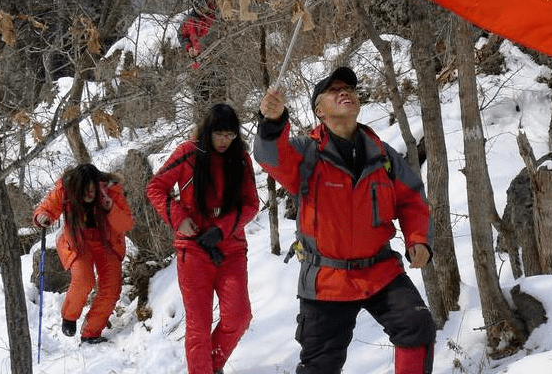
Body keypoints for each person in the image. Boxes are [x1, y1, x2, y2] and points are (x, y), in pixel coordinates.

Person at [254, 67, 437, 374]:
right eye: (334, 90)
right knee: (319, 367)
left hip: (380, 271)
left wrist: (418, 239)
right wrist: (272, 123)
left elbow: (411, 199)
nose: (345, 93)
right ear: (319, 111)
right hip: (327, 279)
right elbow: (270, 156)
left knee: (417, 327)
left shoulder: (383, 154)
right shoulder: (306, 152)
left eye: (349, 89)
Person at [147, 103, 259, 374]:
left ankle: (210, 365)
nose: (224, 140)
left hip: (230, 248)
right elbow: (156, 187)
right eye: (219, 133)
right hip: (193, 249)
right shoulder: (188, 153)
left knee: (239, 316)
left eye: (230, 134)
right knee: (198, 324)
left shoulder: (241, 160)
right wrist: (177, 217)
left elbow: (251, 204)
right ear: (208, 130)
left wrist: (221, 229)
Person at [33, 163, 133, 344]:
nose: (89, 193)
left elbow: (125, 224)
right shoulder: (66, 187)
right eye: (84, 190)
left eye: (92, 189)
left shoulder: (111, 189)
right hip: (78, 241)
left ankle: (91, 332)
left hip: (107, 242)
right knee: (84, 278)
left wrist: (111, 208)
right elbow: (47, 208)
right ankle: (69, 316)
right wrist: (42, 217)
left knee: (111, 288)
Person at [179, 0, 217, 70]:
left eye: (203, 5)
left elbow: (217, 33)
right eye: (199, 7)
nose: (202, 9)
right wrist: (189, 48)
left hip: (216, 60)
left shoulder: (215, 14)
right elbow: (181, 35)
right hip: (198, 65)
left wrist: (200, 47)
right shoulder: (189, 20)